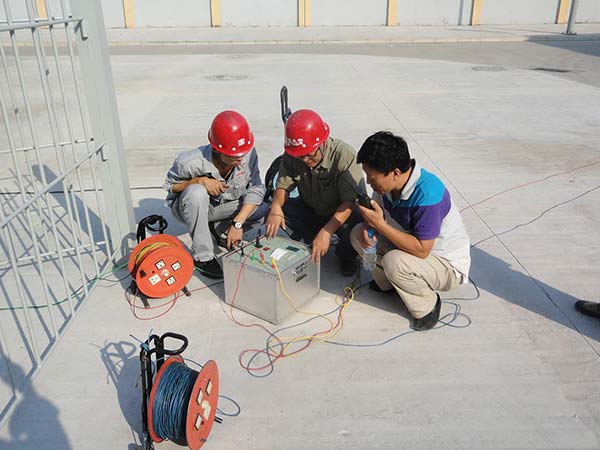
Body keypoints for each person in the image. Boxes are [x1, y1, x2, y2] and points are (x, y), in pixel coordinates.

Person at [350, 131, 471, 330]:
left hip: (443, 263)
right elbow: (376, 223)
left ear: (395, 172)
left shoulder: (428, 194)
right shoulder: (386, 187)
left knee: (394, 262)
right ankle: (389, 285)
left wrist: (380, 225)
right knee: (357, 234)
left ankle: (427, 305)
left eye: (372, 177)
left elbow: (422, 250)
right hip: (411, 248)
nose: (369, 182)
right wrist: (370, 228)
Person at [164, 110, 268, 279]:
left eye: (242, 154)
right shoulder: (189, 162)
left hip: (225, 206)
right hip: (192, 208)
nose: (240, 159)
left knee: (263, 210)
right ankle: (203, 257)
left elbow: (255, 189)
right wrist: (197, 181)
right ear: (217, 150)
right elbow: (171, 187)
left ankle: (221, 231)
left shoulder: (246, 153)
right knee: (196, 193)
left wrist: (238, 224)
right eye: (234, 156)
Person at [265, 109, 365, 276]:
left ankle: (346, 256)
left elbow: (350, 201)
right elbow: (283, 185)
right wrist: (276, 207)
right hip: (311, 207)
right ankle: (310, 238)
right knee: (277, 211)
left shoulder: (344, 155)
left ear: (321, 143)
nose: (304, 160)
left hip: (340, 213)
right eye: (300, 157)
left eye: (309, 155)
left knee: (358, 225)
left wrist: (327, 231)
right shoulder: (293, 154)